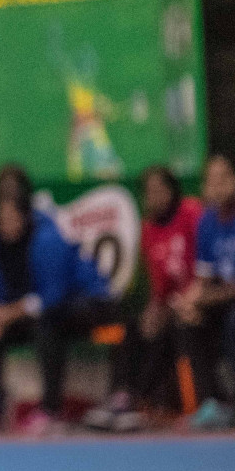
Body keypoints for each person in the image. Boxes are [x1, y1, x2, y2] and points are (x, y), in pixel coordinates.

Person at [0, 164, 117, 435]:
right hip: (22, 312)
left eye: (13, 211)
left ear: (26, 211)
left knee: (48, 324)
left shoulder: (47, 236)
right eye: (1, 212)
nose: (6, 222)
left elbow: (53, 296)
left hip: (79, 304)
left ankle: (52, 411)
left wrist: (8, 314)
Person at [83, 166, 201, 431]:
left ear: (172, 191)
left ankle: (141, 401)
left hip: (200, 300)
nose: (154, 198)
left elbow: (205, 265)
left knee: (171, 331)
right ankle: (121, 397)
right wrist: (154, 310)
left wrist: (188, 302)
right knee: (135, 328)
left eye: (160, 191)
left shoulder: (192, 213)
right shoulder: (148, 229)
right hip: (173, 303)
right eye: (148, 193)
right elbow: (160, 288)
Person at [172, 154, 235, 428]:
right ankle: (213, 402)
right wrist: (189, 301)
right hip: (223, 298)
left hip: (230, 300)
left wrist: (203, 299)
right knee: (188, 320)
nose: (217, 187)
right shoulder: (207, 222)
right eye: (210, 181)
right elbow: (204, 278)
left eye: (224, 179)